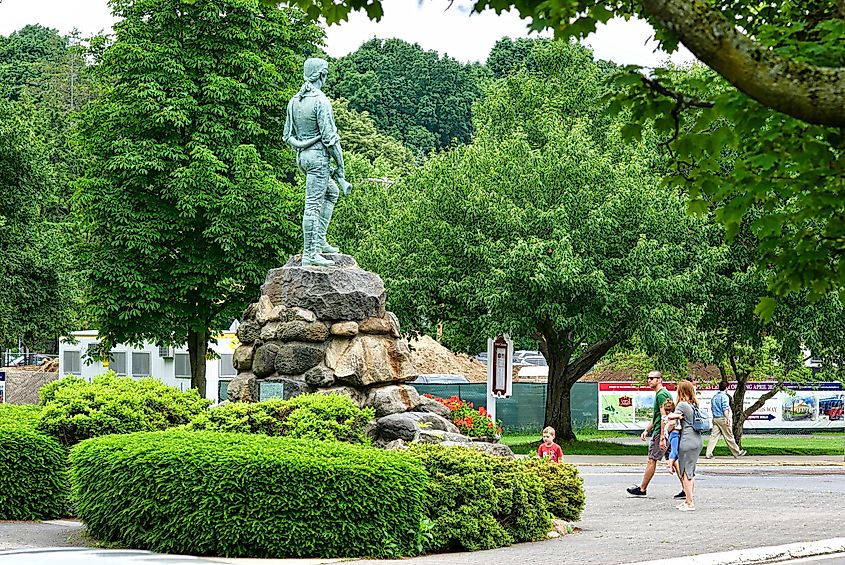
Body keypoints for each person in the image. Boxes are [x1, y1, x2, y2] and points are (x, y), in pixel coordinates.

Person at [283, 57, 352, 267]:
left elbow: (287, 136)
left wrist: (303, 144)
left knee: (331, 192)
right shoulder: (321, 101)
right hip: (318, 160)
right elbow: (331, 139)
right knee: (312, 205)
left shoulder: (295, 100)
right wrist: (340, 165)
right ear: (322, 74)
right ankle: (310, 253)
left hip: (303, 159)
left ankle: (319, 241)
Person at [627, 370, 673, 497]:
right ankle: (686, 488)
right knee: (673, 460)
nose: (649, 380)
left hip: (661, 432)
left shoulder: (661, 395)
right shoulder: (661, 394)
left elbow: (665, 416)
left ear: (659, 379)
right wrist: (647, 430)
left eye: (652, 378)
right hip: (663, 431)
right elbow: (657, 417)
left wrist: (662, 436)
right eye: (648, 378)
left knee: (652, 459)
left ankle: (642, 489)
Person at [665, 379, 703, 511]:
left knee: (685, 473)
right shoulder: (694, 405)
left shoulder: (681, 405)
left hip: (687, 441)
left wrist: (668, 419)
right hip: (697, 440)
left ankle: (690, 502)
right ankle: (687, 500)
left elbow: (671, 421)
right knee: (690, 471)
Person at [706, 381, 747, 458]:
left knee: (713, 437)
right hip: (722, 418)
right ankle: (737, 452)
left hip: (715, 419)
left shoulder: (715, 397)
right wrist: (727, 418)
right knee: (729, 436)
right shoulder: (724, 396)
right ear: (726, 388)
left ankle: (708, 454)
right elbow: (725, 408)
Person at [660, 398, 681, 476]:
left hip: (671, 435)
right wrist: (679, 416)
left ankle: (670, 464)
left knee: (674, 451)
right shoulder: (671, 416)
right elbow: (671, 417)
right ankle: (670, 464)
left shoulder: (665, 417)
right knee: (674, 450)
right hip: (675, 435)